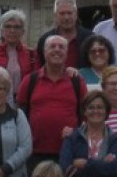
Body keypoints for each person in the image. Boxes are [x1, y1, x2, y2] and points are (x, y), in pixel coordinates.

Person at [21, 34, 87, 169]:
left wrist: (77, 133)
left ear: (67, 53)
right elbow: (20, 112)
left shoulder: (76, 81)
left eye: (61, 47)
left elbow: (87, 114)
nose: (57, 49)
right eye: (52, 46)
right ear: (44, 52)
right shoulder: (30, 80)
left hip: (69, 151)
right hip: (35, 151)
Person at [36, 0, 88, 69]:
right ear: (55, 16)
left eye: (69, 13)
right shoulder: (44, 40)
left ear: (76, 15)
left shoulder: (89, 38)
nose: (66, 17)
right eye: (62, 13)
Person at [0, 8, 37, 85]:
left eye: (17, 27)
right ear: (2, 31)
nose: (12, 31)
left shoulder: (31, 54)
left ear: (23, 31)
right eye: (8, 27)